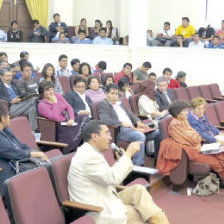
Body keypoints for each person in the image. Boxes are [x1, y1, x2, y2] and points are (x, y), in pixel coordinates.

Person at [67, 119, 169, 224]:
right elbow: (113, 178)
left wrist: (122, 159)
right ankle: (158, 218)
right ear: (95, 136)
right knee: (140, 213)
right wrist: (128, 154)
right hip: (96, 208)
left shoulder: (91, 152)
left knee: (138, 190)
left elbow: (106, 175)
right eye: (107, 134)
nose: (110, 138)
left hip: (106, 197)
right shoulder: (88, 157)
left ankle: (158, 218)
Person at [166, 100, 224, 184]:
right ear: (177, 113)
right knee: (216, 162)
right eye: (184, 111)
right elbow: (192, 139)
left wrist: (195, 138)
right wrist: (195, 138)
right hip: (192, 152)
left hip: (199, 147)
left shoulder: (184, 121)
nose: (187, 113)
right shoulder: (175, 125)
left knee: (221, 155)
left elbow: (196, 136)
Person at [0, 103, 49, 197]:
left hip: (20, 164)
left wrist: (37, 153)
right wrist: (35, 155)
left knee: (48, 166)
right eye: (8, 114)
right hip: (9, 171)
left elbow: (22, 146)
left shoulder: (6, 130)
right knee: (44, 171)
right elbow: (14, 153)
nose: (9, 117)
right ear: (2, 118)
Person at [98, 83, 148, 166]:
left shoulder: (120, 102)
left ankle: (154, 158)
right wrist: (122, 123)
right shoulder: (103, 104)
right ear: (106, 94)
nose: (114, 96)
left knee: (155, 133)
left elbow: (130, 113)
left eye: (116, 94)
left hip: (132, 127)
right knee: (140, 136)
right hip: (120, 129)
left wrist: (138, 121)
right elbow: (104, 120)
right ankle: (138, 165)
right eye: (112, 93)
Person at [38, 81, 87, 154]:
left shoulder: (57, 95)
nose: (51, 92)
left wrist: (72, 119)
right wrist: (54, 103)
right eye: (48, 90)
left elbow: (68, 107)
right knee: (83, 126)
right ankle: (77, 146)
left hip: (68, 121)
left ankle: (84, 147)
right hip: (59, 126)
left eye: (52, 89)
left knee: (85, 117)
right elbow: (55, 118)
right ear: (42, 92)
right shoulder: (42, 105)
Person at [138, 80, 166, 157]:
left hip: (157, 118)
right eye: (153, 88)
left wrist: (164, 112)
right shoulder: (143, 98)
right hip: (150, 121)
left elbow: (157, 109)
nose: (154, 90)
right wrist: (162, 113)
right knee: (166, 125)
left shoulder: (151, 98)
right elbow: (151, 112)